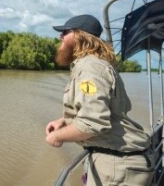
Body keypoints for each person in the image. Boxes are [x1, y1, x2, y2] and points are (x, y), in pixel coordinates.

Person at [45, 14, 154, 185]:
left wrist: (57, 137)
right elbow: (109, 110)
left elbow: (93, 123)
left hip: (118, 166)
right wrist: (64, 121)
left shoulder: (90, 68)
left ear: (79, 35)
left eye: (65, 32)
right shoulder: (98, 64)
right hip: (119, 161)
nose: (60, 36)